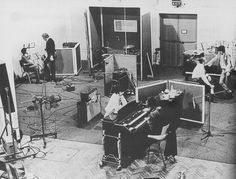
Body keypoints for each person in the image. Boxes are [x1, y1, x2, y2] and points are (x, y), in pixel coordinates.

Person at [145, 96, 177, 163]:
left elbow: (151, 128)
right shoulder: (161, 110)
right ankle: (170, 155)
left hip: (157, 134)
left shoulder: (152, 115)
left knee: (142, 133)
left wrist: (147, 122)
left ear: (150, 106)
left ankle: (138, 152)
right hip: (164, 133)